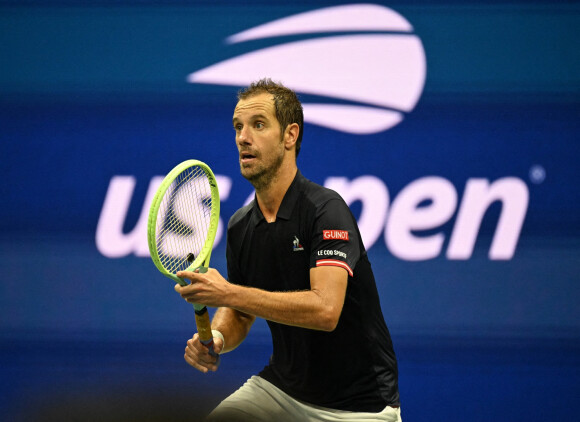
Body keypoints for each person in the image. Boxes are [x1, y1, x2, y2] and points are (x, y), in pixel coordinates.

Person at [174, 78, 401, 422]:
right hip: (282, 392)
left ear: (290, 136)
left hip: (360, 406)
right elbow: (241, 311)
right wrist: (217, 336)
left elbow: (325, 310)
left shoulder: (326, 210)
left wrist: (229, 293)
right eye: (238, 127)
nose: (242, 137)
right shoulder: (241, 226)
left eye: (258, 125)